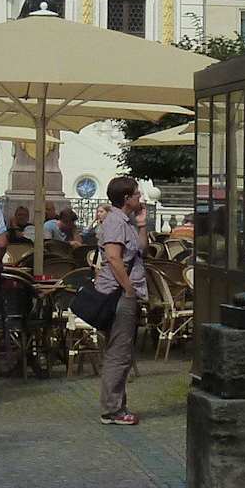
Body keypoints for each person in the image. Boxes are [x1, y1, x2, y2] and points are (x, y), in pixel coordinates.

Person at [95, 174, 147, 426]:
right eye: (137, 193)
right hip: (118, 293)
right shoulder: (115, 222)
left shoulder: (126, 222)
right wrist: (128, 289)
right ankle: (112, 409)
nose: (141, 197)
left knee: (121, 350)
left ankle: (116, 405)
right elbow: (114, 257)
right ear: (127, 198)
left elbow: (141, 250)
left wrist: (142, 224)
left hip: (123, 291)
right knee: (119, 351)